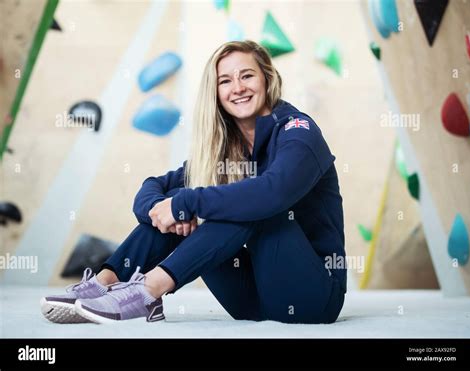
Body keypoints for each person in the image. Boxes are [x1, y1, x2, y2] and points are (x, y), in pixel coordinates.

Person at [40, 40, 346, 325]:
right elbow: (154, 188)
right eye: (225, 81)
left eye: (247, 76)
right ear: (215, 92)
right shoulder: (227, 148)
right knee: (183, 195)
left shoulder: (298, 131)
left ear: (267, 79)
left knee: (251, 202)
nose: (237, 88)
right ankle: (106, 282)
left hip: (312, 296)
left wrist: (186, 205)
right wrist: (173, 209)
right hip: (250, 299)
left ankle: (149, 290)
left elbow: (273, 193)